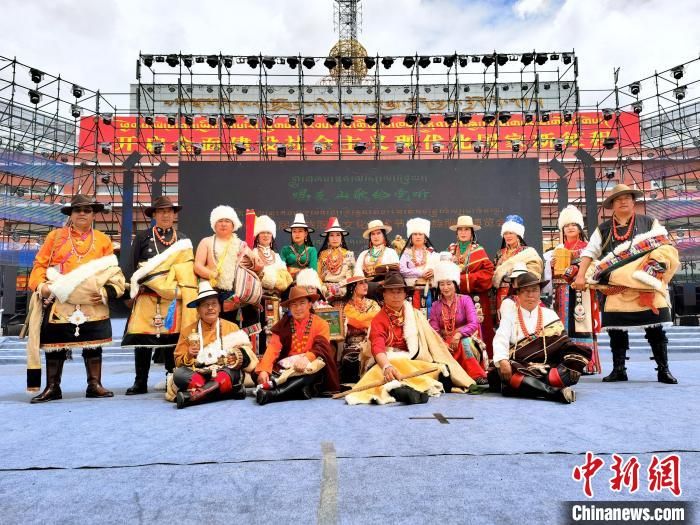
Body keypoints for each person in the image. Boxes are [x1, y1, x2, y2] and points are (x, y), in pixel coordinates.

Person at [573, 184, 680, 384]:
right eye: (618, 199)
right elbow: (590, 252)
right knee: (616, 330)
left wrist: (648, 270)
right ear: (612, 204)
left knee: (655, 329)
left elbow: (664, 247)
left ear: (633, 201)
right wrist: (580, 275)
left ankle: (663, 369)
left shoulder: (649, 222)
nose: (623, 201)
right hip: (617, 286)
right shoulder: (603, 228)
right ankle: (619, 369)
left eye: (627, 198)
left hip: (644, 284)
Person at [25, 194, 126, 402]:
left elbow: (112, 271)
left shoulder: (103, 240)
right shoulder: (55, 237)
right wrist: (42, 287)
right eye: (77, 210)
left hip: (92, 301)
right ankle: (53, 387)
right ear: (70, 214)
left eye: (87, 210)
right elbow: (39, 265)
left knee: (94, 345)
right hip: (60, 299)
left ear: (93, 215)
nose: (82, 213)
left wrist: (106, 292)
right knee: (55, 345)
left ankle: (94, 385)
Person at [344, 272, 475, 405]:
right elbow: (378, 347)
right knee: (381, 372)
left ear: (405, 294)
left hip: (415, 361)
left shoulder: (415, 314)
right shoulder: (378, 320)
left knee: (438, 368)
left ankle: (403, 388)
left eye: (399, 292)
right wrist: (386, 366)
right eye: (391, 292)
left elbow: (430, 342)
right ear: (384, 294)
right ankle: (401, 390)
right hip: (387, 361)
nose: (396, 296)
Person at [121, 196, 197, 395]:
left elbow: (188, 270)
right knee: (142, 341)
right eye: (161, 211)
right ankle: (140, 382)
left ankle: (171, 379)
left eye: (169, 211)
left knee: (172, 339)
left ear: (174, 215)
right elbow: (131, 266)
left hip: (172, 298)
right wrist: (128, 294)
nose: (165, 215)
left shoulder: (182, 240)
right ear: (154, 214)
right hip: (146, 296)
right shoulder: (143, 237)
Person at [490, 268, 592, 404]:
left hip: (548, 366)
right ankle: (554, 393)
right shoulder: (510, 315)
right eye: (526, 291)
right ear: (518, 294)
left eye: (534, 290)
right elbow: (500, 339)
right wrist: (503, 361)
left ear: (540, 293)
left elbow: (564, 343)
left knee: (571, 365)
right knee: (506, 373)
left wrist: (573, 362)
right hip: (520, 366)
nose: (530, 295)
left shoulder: (550, 314)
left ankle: (527, 387)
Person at [172, 282, 258, 409]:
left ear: (219, 307)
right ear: (198, 310)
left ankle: (193, 396)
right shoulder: (187, 331)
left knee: (232, 371)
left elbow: (247, 353)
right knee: (179, 374)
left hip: (223, 372)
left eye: (214, 304)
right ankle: (228, 392)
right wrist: (189, 354)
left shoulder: (232, 327)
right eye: (205, 305)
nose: (210, 308)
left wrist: (236, 357)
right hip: (198, 373)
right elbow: (178, 361)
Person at [254, 286, 340, 404]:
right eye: (293, 304)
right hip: (287, 367)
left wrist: (307, 358)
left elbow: (321, 348)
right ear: (289, 307)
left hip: (311, 366)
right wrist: (264, 370)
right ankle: (300, 391)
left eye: (302, 303)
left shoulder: (321, 324)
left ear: (310, 304)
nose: (298, 308)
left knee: (311, 372)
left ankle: (273, 394)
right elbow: (272, 348)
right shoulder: (283, 325)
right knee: (259, 373)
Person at [550, 205, 601, 375]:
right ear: (562, 229)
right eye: (566, 225)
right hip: (561, 291)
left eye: (573, 224)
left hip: (581, 291)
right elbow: (553, 274)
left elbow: (594, 267)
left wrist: (577, 269)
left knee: (581, 323)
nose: (570, 227)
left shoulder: (587, 247)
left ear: (579, 228)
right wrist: (552, 266)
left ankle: (584, 362)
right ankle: (564, 360)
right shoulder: (558, 249)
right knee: (562, 325)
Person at [194, 205, 257, 325]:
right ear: (214, 224)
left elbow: (257, 263)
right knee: (216, 327)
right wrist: (211, 274)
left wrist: (253, 265)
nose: (223, 224)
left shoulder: (241, 244)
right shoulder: (206, 242)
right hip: (214, 292)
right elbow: (197, 266)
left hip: (237, 294)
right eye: (220, 221)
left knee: (236, 328)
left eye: (227, 221)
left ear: (233, 225)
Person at [429, 260, 489, 385]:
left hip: (465, 337)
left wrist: (458, 334)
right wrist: (441, 343)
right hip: (444, 340)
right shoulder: (435, 305)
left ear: (455, 284)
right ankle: (454, 376)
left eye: (449, 283)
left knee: (463, 343)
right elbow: (434, 328)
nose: (445, 287)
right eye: (442, 284)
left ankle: (476, 375)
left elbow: (473, 323)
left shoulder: (465, 300)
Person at [448, 215, 496, 352]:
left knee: (480, 328)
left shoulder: (478, 250)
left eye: (466, 229)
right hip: (455, 297)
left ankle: (483, 358)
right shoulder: (451, 250)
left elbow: (488, 273)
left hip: (476, 297)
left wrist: (464, 280)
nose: (463, 232)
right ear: (457, 233)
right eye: (460, 229)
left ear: (472, 232)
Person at [250, 214, 292, 353]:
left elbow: (285, 281)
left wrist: (266, 277)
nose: (266, 235)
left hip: (276, 302)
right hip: (258, 302)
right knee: (259, 334)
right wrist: (274, 280)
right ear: (257, 236)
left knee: (275, 332)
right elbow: (253, 277)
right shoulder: (252, 254)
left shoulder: (277, 256)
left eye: (268, 232)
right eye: (262, 232)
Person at [492, 214, 543, 311]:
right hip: (501, 292)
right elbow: (494, 272)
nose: (508, 236)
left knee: (519, 316)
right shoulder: (500, 253)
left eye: (511, 233)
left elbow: (534, 272)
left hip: (520, 290)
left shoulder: (527, 251)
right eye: (505, 233)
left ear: (518, 234)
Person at [341, 275, 381, 383]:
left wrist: (355, 322)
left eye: (365, 282)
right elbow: (346, 325)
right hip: (350, 344)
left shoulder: (373, 304)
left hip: (370, 342)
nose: (365, 285)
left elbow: (376, 321)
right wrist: (365, 322)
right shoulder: (344, 306)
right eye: (361, 283)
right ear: (352, 287)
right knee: (348, 357)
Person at [317, 217, 355, 304]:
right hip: (325, 289)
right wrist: (323, 286)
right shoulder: (322, 254)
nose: (335, 238)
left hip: (343, 289)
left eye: (338, 235)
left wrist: (338, 286)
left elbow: (351, 276)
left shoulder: (348, 254)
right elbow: (317, 274)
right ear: (328, 238)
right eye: (332, 235)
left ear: (342, 238)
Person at [399, 217, 439, 287]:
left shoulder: (431, 252)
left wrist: (434, 272)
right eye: (415, 234)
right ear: (411, 237)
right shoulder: (406, 253)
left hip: (430, 288)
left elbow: (440, 267)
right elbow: (402, 270)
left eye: (420, 234)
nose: (418, 237)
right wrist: (421, 273)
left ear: (425, 237)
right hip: (411, 288)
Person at [280, 213, 318, 278]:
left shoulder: (312, 250)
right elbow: (281, 270)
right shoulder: (285, 249)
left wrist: (294, 270)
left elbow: (313, 272)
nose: (297, 234)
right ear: (291, 233)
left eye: (300, 231)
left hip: (306, 281)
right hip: (288, 281)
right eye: (294, 231)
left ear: (305, 233)